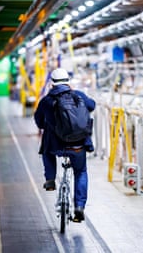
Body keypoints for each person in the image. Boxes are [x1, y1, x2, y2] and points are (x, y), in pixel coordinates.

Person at [34, 68, 95, 222]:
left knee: (46, 151)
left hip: (56, 146)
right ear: (68, 82)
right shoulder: (78, 96)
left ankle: (50, 180)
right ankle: (79, 207)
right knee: (80, 172)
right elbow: (92, 105)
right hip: (78, 146)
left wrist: (46, 124)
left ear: (52, 84)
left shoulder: (47, 101)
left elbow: (39, 121)